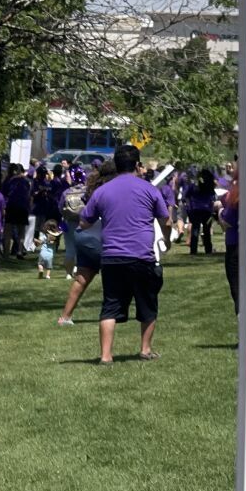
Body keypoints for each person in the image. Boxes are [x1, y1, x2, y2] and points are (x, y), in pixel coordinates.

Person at [83, 143, 169, 363]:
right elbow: (165, 218)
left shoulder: (102, 191)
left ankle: (105, 355)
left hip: (112, 256)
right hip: (142, 255)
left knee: (110, 305)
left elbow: (85, 220)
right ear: (138, 165)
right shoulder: (150, 189)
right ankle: (145, 349)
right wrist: (166, 239)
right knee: (148, 304)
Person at [56, 164, 107, 325]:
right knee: (115, 276)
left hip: (82, 234)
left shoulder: (87, 191)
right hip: (100, 236)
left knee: (81, 278)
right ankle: (112, 315)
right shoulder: (106, 192)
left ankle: (65, 316)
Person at [220, 177, 241, 315]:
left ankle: (241, 319)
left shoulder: (237, 195)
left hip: (235, 245)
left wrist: (220, 210)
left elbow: (226, 222)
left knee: (237, 289)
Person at [187, 167, 218, 254]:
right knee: (207, 231)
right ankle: (208, 249)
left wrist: (189, 206)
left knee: (195, 230)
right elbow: (213, 198)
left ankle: (193, 250)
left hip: (196, 209)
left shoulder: (193, 186)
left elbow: (187, 196)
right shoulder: (210, 187)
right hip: (207, 209)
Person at [4, 163, 32, 257]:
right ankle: (20, 250)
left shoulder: (9, 181)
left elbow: (4, 193)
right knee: (21, 230)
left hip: (11, 206)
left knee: (8, 230)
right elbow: (29, 195)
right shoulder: (26, 181)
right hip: (23, 207)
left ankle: (6, 252)